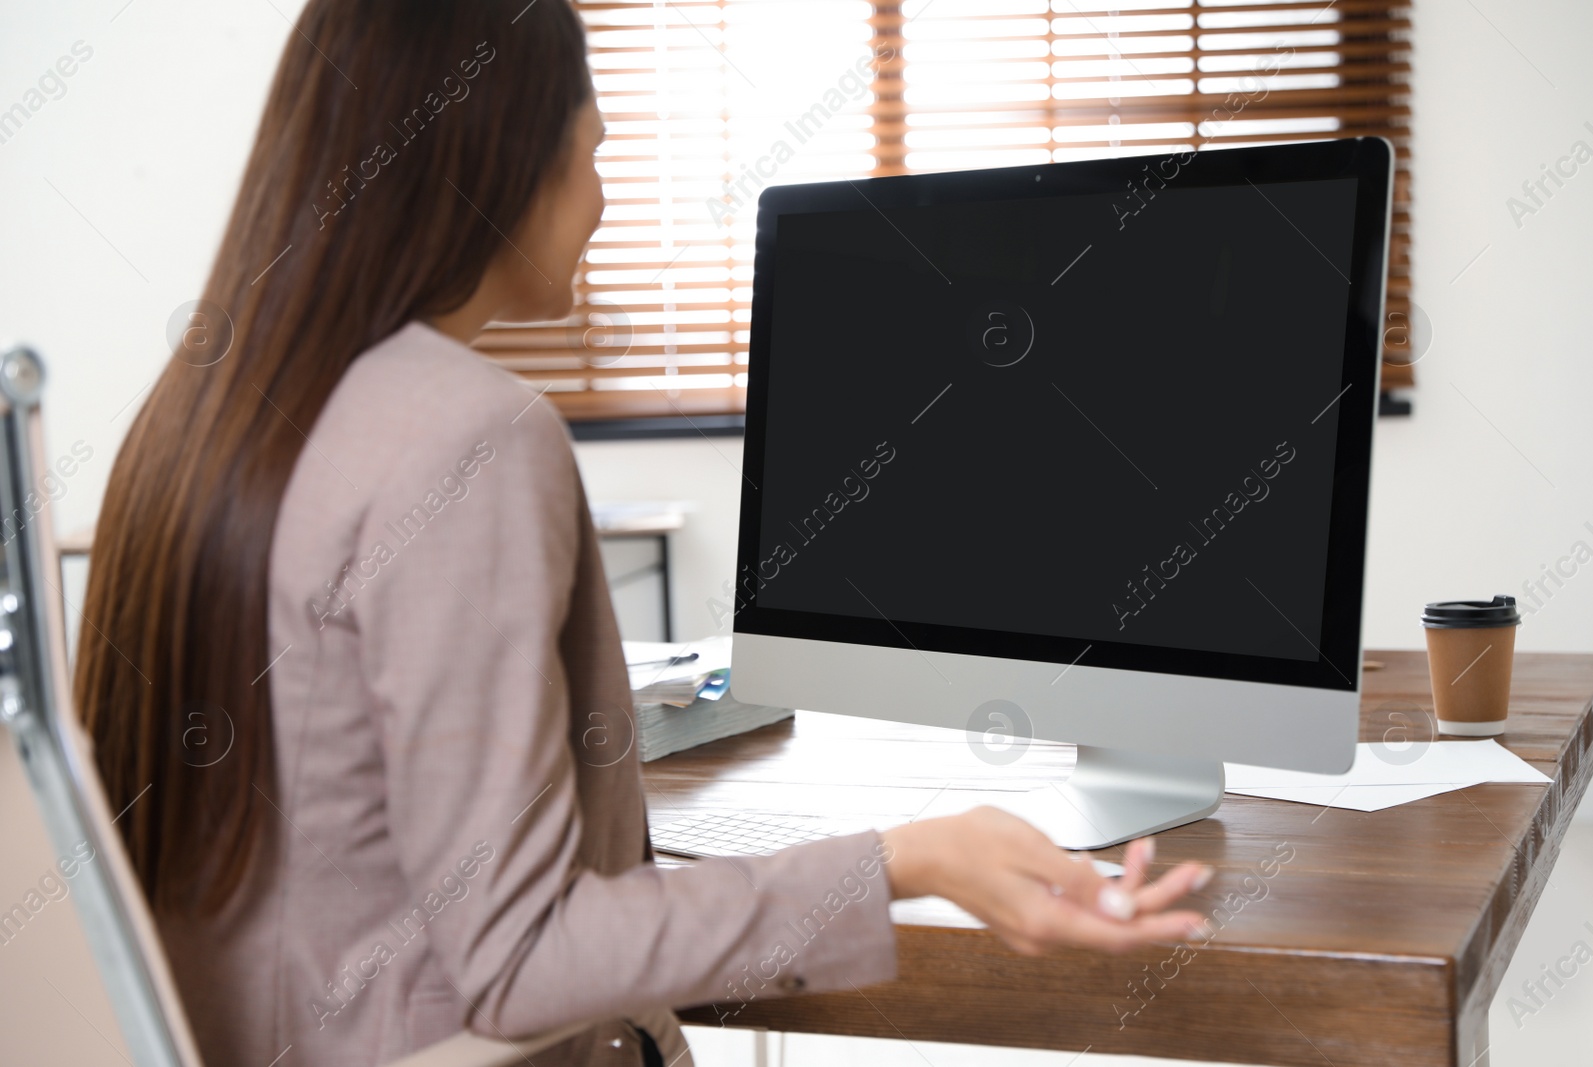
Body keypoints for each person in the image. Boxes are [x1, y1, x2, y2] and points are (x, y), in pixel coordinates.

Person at [73, 2, 1214, 1064]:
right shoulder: (463, 433)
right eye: (597, 151)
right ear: (501, 157)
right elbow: (521, 958)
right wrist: (913, 855)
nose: (603, 196)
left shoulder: (191, 420)